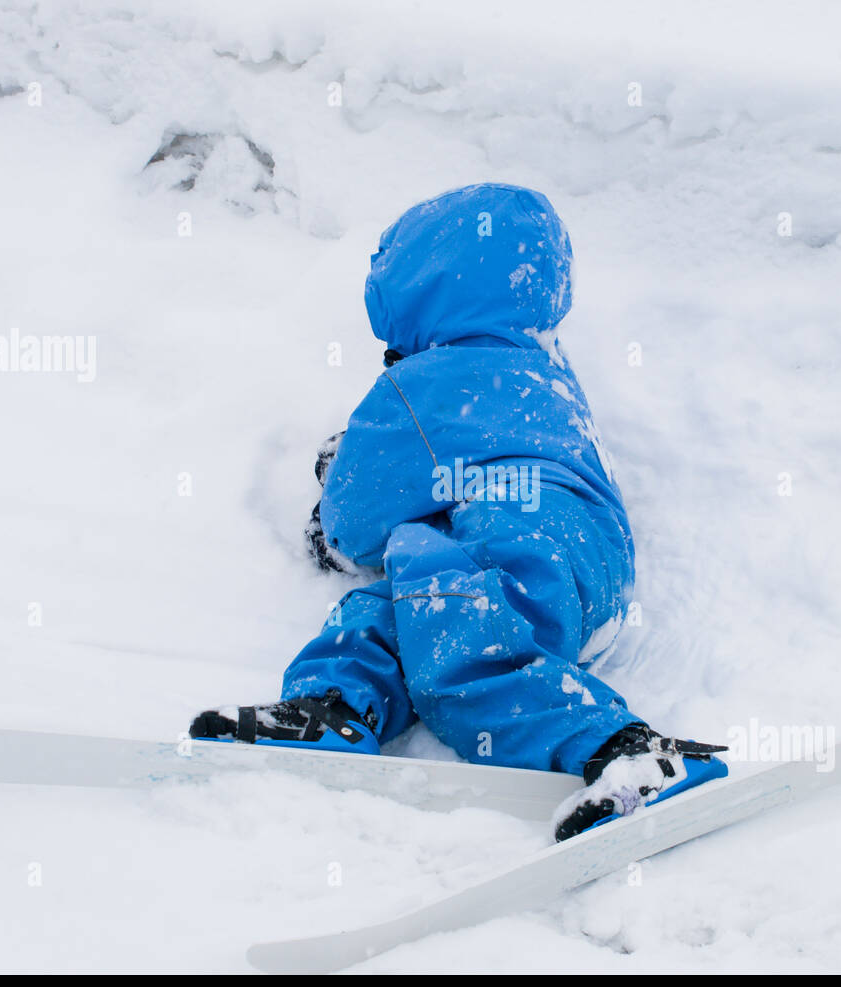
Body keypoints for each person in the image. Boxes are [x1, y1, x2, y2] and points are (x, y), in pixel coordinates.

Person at [190, 183, 726, 841]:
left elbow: (356, 519)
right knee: (401, 608)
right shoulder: (544, 368)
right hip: (582, 556)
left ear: (418, 289)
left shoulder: (425, 385)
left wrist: (330, 498)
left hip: (517, 532)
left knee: (466, 652)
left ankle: (633, 750)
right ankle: (333, 708)